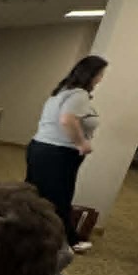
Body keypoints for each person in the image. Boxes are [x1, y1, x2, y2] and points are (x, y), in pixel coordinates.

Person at [26, 54, 107, 253]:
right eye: (101, 74)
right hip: (58, 152)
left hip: (40, 147)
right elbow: (68, 120)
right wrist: (82, 144)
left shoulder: (62, 92)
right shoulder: (78, 94)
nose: (101, 79)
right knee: (59, 197)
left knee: (36, 194)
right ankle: (69, 240)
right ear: (92, 74)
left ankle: (30, 234)